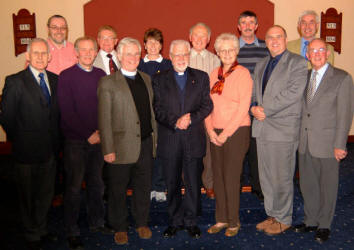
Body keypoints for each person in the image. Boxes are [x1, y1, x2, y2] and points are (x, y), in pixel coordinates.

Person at [0, 38, 60, 250]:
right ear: (27, 56)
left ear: (49, 56)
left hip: (49, 151)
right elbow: (6, 118)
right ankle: (31, 233)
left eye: (44, 53)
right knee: (27, 196)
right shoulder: (15, 81)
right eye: (36, 53)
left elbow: (56, 116)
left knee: (46, 194)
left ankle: (41, 228)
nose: (40, 57)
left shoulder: (55, 79)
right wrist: (22, 139)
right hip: (25, 151)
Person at [293, 38, 354, 243]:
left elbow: (345, 115)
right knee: (308, 185)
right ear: (307, 55)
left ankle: (325, 225)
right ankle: (311, 220)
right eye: (312, 50)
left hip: (328, 143)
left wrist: (340, 144)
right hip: (305, 141)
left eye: (321, 49)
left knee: (327, 186)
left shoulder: (342, 78)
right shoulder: (305, 76)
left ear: (327, 53)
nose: (317, 53)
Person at [98, 37, 157, 245]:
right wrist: (108, 148)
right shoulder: (108, 82)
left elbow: (150, 112)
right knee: (117, 189)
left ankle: (142, 223)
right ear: (119, 56)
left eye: (136, 53)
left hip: (145, 143)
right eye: (128, 53)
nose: (132, 57)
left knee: (143, 187)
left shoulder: (146, 79)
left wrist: (154, 142)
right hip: (120, 147)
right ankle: (120, 226)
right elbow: (104, 119)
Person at [153, 40, 213, 239]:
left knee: (193, 183)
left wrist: (191, 118)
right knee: (172, 183)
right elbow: (158, 109)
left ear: (189, 55)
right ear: (170, 56)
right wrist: (175, 122)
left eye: (184, 54)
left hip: (193, 138)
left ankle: (191, 221)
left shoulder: (201, 77)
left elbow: (207, 105)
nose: (181, 59)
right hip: (170, 139)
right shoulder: (159, 79)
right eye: (176, 55)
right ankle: (175, 221)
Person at [251, 25, 307, 235]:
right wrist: (253, 106)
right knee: (266, 176)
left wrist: (266, 110)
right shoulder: (262, 64)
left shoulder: (298, 63)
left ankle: (284, 218)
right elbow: (255, 92)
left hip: (283, 129)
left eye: (279, 36)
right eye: (270, 37)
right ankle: (272, 214)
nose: (274, 40)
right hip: (262, 128)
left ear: (285, 39)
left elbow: (293, 93)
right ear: (266, 41)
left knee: (282, 176)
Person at [57, 36, 111, 250]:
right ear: (76, 52)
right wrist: (88, 133)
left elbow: (105, 106)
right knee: (73, 188)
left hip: (98, 139)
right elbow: (66, 112)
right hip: (75, 142)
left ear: (96, 52)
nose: (88, 53)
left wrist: (100, 132)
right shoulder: (66, 76)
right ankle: (72, 230)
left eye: (92, 50)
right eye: (84, 50)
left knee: (97, 184)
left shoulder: (101, 75)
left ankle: (97, 223)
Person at [205, 33, 252, 237]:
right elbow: (206, 105)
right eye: (222, 50)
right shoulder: (213, 74)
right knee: (218, 177)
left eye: (231, 49)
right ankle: (221, 218)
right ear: (217, 52)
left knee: (231, 177)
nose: (226, 53)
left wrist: (224, 134)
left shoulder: (243, 74)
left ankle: (234, 221)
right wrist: (209, 130)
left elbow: (243, 108)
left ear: (237, 51)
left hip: (237, 131)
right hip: (214, 132)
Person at [236, 10, 269, 200]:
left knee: (258, 150)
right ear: (239, 26)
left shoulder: (266, 48)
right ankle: (237, 185)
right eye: (244, 22)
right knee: (239, 149)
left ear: (256, 26)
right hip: (239, 109)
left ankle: (258, 186)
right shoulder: (232, 47)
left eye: (251, 22)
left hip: (259, 108)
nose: (248, 26)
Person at [138, 28, 172, 202]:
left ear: (161, 45)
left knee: (160, 150)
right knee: (144, 152)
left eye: (156, 42)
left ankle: (159, 186)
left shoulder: (168, 65)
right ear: (144, 45)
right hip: (142, 116)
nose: (153, 45)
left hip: (162, 116)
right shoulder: (137, 65)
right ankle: (147, 186)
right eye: (149, 42)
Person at [189, 22, 220, 199]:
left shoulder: (216, 60)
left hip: (209, 112)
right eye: (196, 35)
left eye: (203, 36)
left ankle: (209, 184)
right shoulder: (182, 57)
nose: (199, 39)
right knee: (189, 151)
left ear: (208, 39)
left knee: (209, 153)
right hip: (189, 112)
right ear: (190, 38)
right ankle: (190, 184)